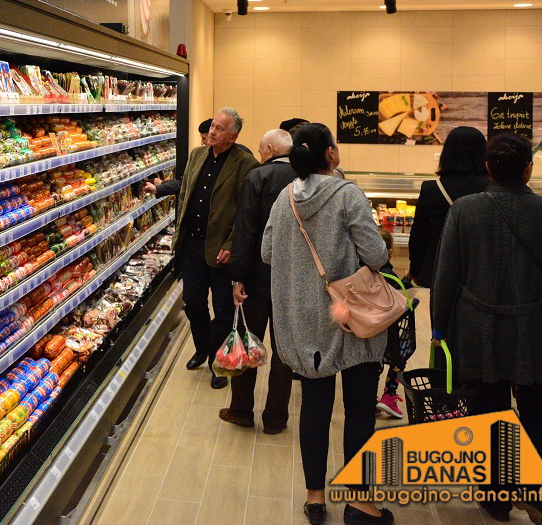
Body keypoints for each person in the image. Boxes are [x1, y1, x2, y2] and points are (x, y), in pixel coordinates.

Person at [431, 133, 542, 525]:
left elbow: (446, 276)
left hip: (479, 328)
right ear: (528, 169)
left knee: (489, 412)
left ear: (489, 169)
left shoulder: (465, 210)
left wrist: (439, 328)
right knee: (540, 413)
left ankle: (495, 500)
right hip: (539, 328)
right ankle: (532, 490)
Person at [263, 123, 393, 525]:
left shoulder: (284, 199)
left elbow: (267, 252)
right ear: (331, 154)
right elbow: (376, 255)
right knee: (359, 410)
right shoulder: (348, 195)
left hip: (305, 322)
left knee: (315, 408)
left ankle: (315, 498)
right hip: (353, 318)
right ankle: (359, 502)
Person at [164, 108, 258, 389]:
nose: (212, 132)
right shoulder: (197, 155)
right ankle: (202, 348)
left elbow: (246, 212)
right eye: (213, 126)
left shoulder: (245, 164)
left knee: (223, 309)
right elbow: (185, 193)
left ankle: (219, 362)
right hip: (192, 245)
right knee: (193, 302)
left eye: (219, 128)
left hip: (220, 251)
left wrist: (231, 244)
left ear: (233, 136)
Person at [220, 128, 296, 433]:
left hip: (256, 277)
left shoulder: (257, 177)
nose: (261, 154)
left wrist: (237, 278)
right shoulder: (306, 178)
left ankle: (241, 410)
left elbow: (246, 230)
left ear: (270, 150)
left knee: (246, 341)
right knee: (283, 352)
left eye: (262, 150)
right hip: (291, 279)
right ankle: (276, 419)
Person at [406, 126, 488, 288]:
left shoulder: (432, 188)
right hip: (479, 273)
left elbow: (419, 237)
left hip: (436, 272)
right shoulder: (492, 188)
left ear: (447, 153)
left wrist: (416, 271)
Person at [375, 228, 406, 420]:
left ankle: (370, 396)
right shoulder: (392, 277)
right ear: (390, 251)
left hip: (370, 332)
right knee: (399, 356)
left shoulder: (364, 273)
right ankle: (390, 394)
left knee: (373, 364)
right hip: (391, 336)